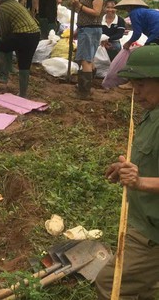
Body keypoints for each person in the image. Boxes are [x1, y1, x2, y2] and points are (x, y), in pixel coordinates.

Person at [95, 44, 159, 300]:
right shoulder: (151, 113)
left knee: (111, 285)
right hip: (144, 221)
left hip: (153, 234)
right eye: (133, 83)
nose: (136, 91)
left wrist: (141, 181)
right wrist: (126, 169)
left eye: (142, 83)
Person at [0, 0, 41, 98]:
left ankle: (3, 75)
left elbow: (5, 31)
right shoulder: (13, 3)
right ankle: (23, 93)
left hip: (22, 35)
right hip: (34, 34)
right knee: (24, 64)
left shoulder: (2, 8)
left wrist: (0, 40)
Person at [70, 0, 111, 100]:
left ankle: (84, 92)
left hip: (90, 29)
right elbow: (84, 13)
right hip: (86, 28)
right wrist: (78, 28)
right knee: (89, 59)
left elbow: (96, 12)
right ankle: (85, 87)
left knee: (85, 60)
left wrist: (79, 5)